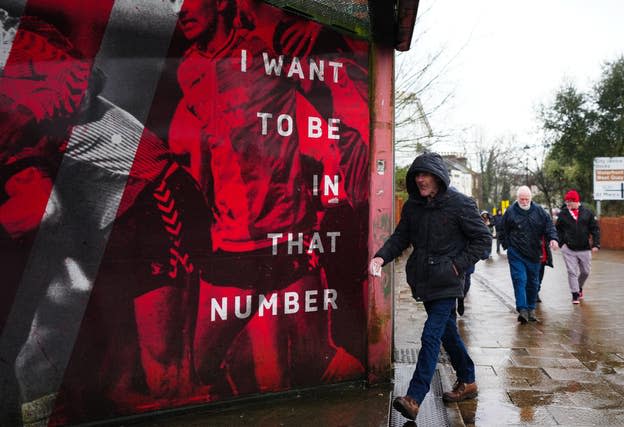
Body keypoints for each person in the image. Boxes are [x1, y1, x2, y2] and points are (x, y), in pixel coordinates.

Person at [0, 13, 212, 424]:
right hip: (100, 213)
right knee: (81, 371)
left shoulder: (15, 38)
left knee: (165, 376)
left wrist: (23, 121)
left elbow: (82, 84)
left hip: (151, 193)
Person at [167, 0, 367, 393]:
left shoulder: (264, 50)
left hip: (285, 237)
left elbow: (333, 84)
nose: (180, 10)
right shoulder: (189, 68)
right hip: (230, 241)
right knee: (202, 364)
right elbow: (211, 144)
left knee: (317, 359)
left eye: (188, 1)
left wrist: (332, 164)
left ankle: (367, 379)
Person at [369, 152, 492, 421]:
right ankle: (468, 380)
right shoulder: (413, 207)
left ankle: (414, 397)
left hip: (448, 281)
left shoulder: (461, 204)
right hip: (425, 281)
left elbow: (483, 241)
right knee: (448, 333)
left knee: (430, 336)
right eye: (417, 175)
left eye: (425, 175)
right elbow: (401, 237)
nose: (420, 180)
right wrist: (380, 256)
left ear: (438, 177)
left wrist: (456, 266)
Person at [502, 186, 559, 324]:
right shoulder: (510, 212)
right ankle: (522, 309)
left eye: (527, 199)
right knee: (519, 279)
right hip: (516, 252)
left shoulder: (540, 211)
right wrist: (507, 246)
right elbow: (503, 230)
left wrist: (553, 239)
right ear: (517, 198)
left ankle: (531, 309)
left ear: (531, 199)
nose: (524, 201)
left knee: (533, 282)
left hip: (534, 253)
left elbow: (549, 227)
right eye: (522, 199)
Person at [555, 189, 600, 304]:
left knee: (586, 271)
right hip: (568, 248)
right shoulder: (563, 214)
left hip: (584, 248)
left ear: (576, 201)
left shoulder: (587, 213)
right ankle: (575, 294)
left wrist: (596, 244)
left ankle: (579, 287)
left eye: (570, 202)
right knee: (572, 271)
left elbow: (595, 229)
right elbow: (558, 229)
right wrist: (561, 243)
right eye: (567, 202)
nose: (568, 204)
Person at [536, 236, 553, 302]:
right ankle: (534, 293)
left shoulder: (544, 230)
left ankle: (536, 292)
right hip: (533, 258)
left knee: (540, 278)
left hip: (543, 258)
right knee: (534, 277)